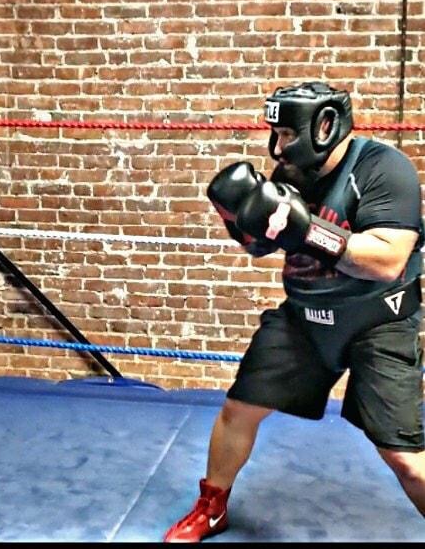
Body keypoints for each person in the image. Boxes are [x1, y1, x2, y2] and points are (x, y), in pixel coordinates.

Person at [164, 81, 425, 542]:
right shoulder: (290, 174)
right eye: (276, 134)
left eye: (288, 134)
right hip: (305, 318)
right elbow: (263, 245)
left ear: (324, 126)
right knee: (237, 410)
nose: (279, 146)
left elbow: (388, 261)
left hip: (377, 324)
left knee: (406, 458)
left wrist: (308, 230)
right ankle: (212, 507)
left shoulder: (384, 169)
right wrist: (238, 223)